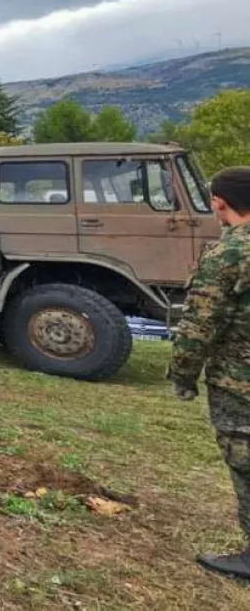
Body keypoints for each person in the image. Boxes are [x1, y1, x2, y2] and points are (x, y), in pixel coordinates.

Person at [168, 166, 250, 580]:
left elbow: (200, 324)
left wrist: (182, 375)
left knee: (246, 460)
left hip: (241, 383)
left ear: (219, 202)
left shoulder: (230, 252)